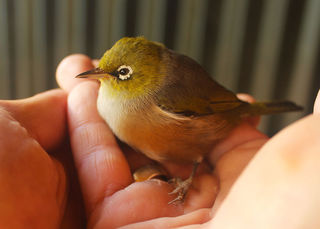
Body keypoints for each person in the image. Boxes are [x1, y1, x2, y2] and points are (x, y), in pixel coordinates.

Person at [0, 54, 319, 228]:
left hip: (217, 112)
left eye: (119, 72)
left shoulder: (164, 96)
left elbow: (218, 104)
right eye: (103, 69)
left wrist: (188, 180)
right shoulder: (109, 98)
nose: (102, 75)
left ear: (136, 77)